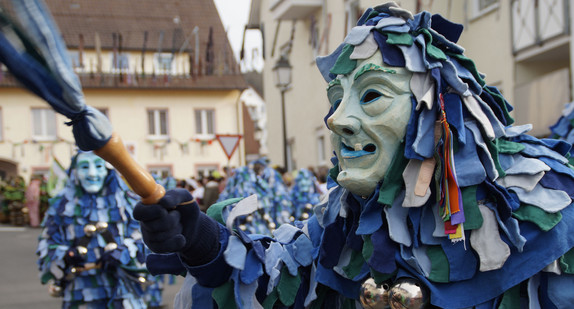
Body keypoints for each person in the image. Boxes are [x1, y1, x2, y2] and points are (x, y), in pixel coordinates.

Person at [134, 3, 574, 308]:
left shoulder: (549, 217)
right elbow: (272, 286)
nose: (336, 120)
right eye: (336, 98)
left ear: (439, 109)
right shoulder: (342, 226)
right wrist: (203, 243)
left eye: (372, 94)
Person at [37, 151, 164, 308]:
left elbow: (148, 241)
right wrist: (65, 256)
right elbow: (46, 246)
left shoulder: (127, 201)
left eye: (98, 166)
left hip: (123, 293)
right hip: (80, 293)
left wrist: (124, 252)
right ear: (75, 172)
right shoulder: (59, 206)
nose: (92, 173)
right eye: (84, 167)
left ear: (107, 170)